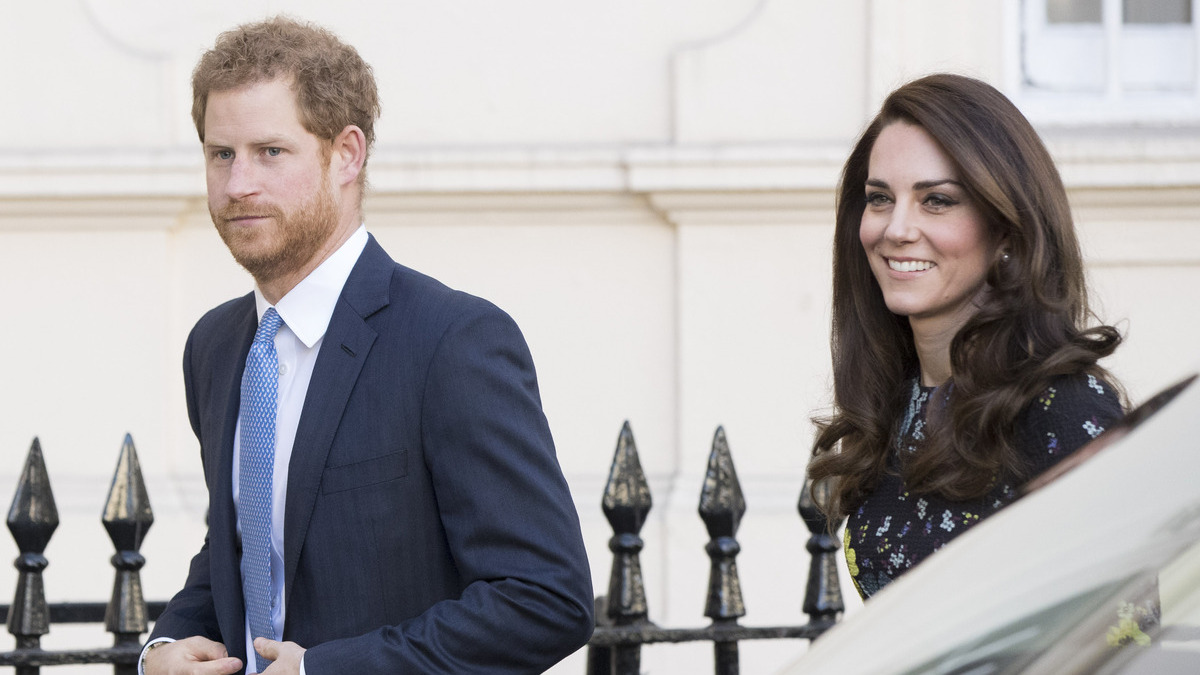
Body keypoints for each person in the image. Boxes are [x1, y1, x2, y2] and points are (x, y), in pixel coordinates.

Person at [141, 16, 593, 675]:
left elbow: (544, 598)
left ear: (346, 154)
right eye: (221, 154)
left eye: (271, 151)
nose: (239, 184)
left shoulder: (451, 340)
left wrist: (323, 669)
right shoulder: (214, 346)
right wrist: (164, 647)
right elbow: (243, 548)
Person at [806, 73, 1125, 600]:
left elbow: (1121, 637)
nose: (896, 228)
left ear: (1005, 228)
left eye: (936, 201)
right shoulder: (895, 401)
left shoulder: (1062, 407)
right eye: (880, 198)